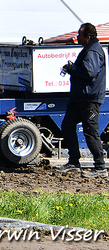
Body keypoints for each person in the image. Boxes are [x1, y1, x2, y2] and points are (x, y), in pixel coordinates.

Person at [59, 23, 107, 178]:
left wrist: (72, 69)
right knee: (67, 125)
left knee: (90, 132)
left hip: (89, 99)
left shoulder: (92, 51)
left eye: (80, 35)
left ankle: (100, 166)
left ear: (88, 37)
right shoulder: (90, 49)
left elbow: (90, 72)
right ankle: (74, 162)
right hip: (80, 98)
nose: (77, 37)